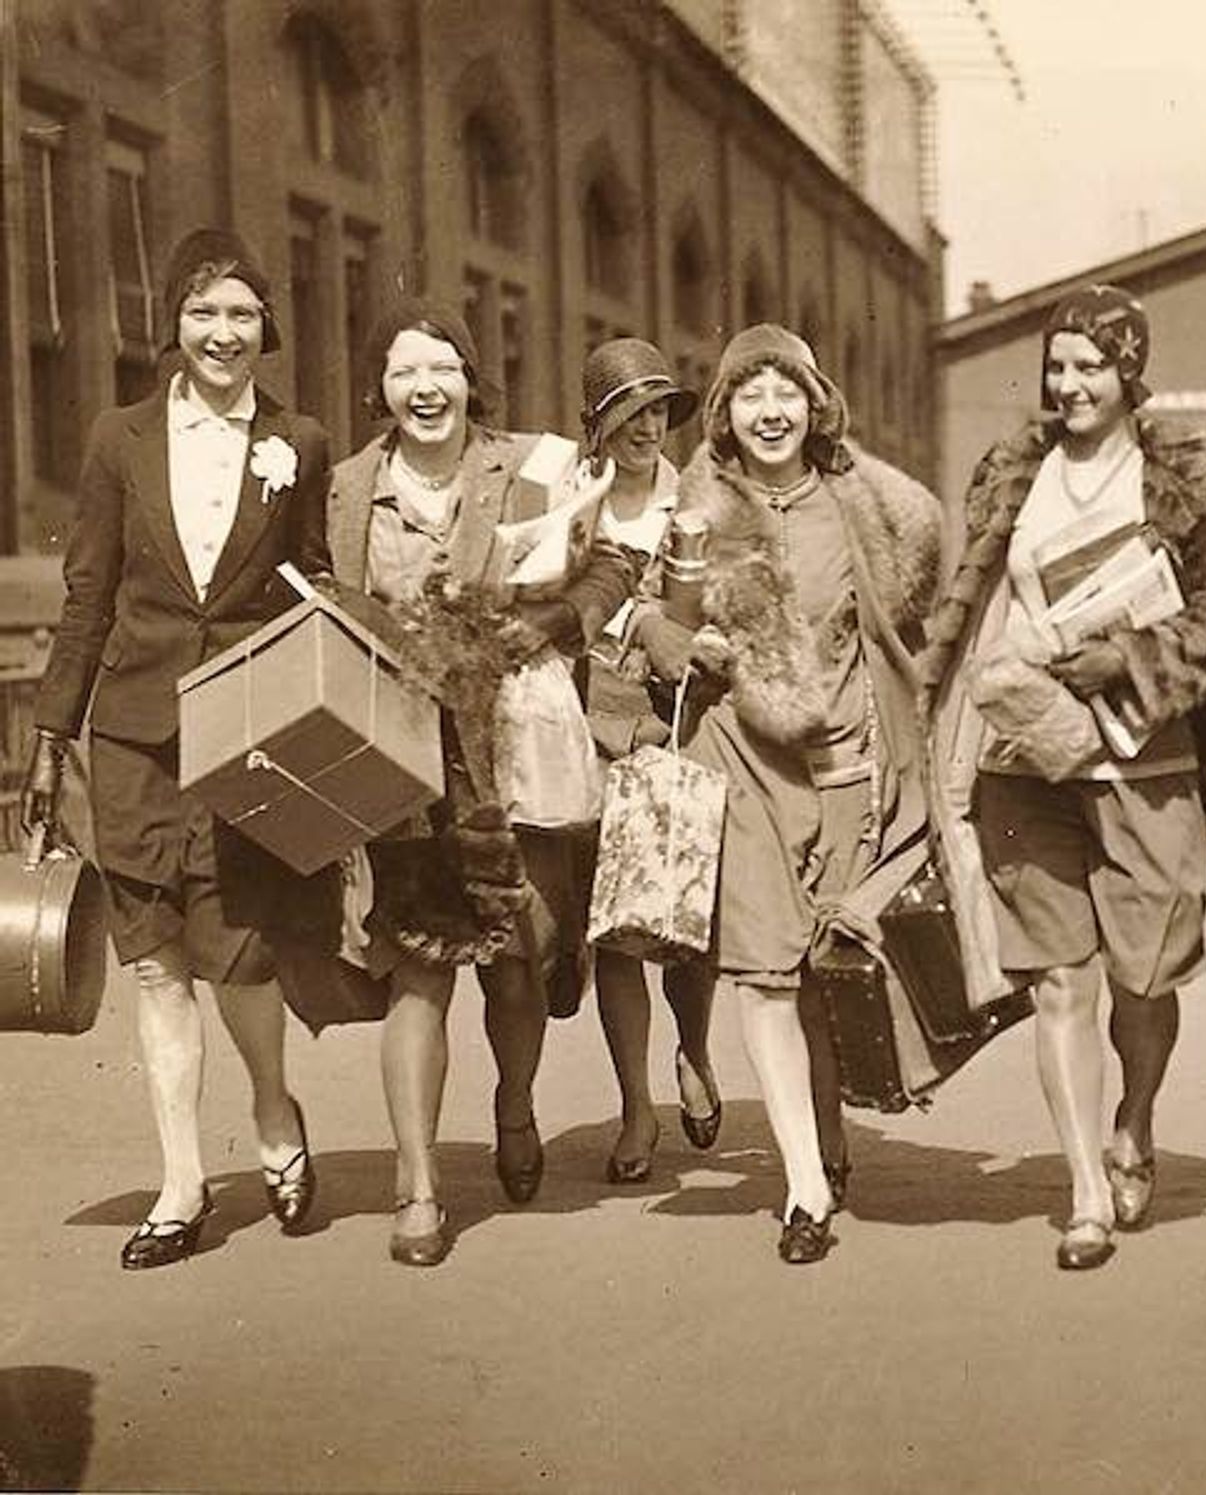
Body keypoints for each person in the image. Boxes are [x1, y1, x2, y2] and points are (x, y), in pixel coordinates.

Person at [24, 228, 329, 1267]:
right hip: (137, 736)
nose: (223, 333)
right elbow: (88, 590)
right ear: (175, 325)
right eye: (204, 313)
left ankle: (275, 1110)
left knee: (239, 953)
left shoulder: (304, 442)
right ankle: (181, 1183)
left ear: (266, 329)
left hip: (246, 735)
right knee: (156, 963)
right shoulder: (119, 438)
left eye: (242, 314)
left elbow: (313, 587)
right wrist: (49, 734)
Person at [921, 284, 1206, 1271]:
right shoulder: (1014, 473)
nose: (1070, 385)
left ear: (1127, 369)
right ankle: (1085, 1191)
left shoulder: (1177, 476)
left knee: (1144, 979)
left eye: (1090, 365)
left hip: (1141, 753)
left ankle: (1133, 1119)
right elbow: (971, 607)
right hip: (1025, 756)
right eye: (1057, 367)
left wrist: (1129, 658)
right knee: (1060, 981)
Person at [319, 299, 632, 1264]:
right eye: (406, 372)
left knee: (517, 956)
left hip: (517, 749)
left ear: (469, 380)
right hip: (406, 753)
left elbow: (614, 561)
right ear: (380, 388)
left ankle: (514, 1102)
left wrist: (554, 625)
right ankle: (416, 1189)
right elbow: (319, 591)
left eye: (442, 368)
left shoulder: (535, 463)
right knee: (418, 965)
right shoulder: (342, 487)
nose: (425, 389)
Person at [629, 324, 942, 1264]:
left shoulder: (861, 505)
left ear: (816, 405)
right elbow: (646, 610)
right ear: (724, 414)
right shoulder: (701, 504)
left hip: (849, 759)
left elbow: (913, 622)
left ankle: (830, 1133)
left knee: (826, 969)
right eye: (748, 395)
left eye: (787, 393)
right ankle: (805, 1183)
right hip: (742, 761)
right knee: (764, 973)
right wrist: (683, 642)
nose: (770, 412)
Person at [569, 336, 724, 1181]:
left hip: (677, 722)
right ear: (598, 425)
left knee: (684, 926)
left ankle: (693, 1052)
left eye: (658, 409)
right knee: (617, 935)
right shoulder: (571, 502)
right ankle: (636, 1106)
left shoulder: (694, 499)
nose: (647, 427)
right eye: (628, 412)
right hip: (590, 726)